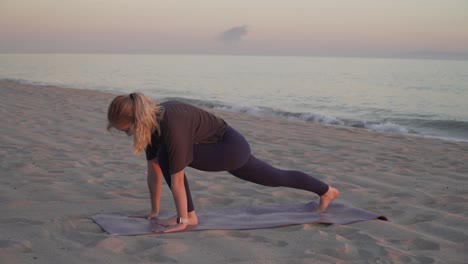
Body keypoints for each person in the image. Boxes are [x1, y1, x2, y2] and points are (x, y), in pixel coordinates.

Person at [107, 92, 340, 233]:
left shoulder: (170, 126)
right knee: (275, 176)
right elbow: (153, 172)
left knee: (168, 157)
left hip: (229, 148)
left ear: (136, 121)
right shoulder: (151, 125)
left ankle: (190, 215)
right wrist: (154, 211)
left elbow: (176, 177)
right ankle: (327, 191)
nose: (127, 135)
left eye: (126, 130)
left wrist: (183, 220)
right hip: (222, 148)